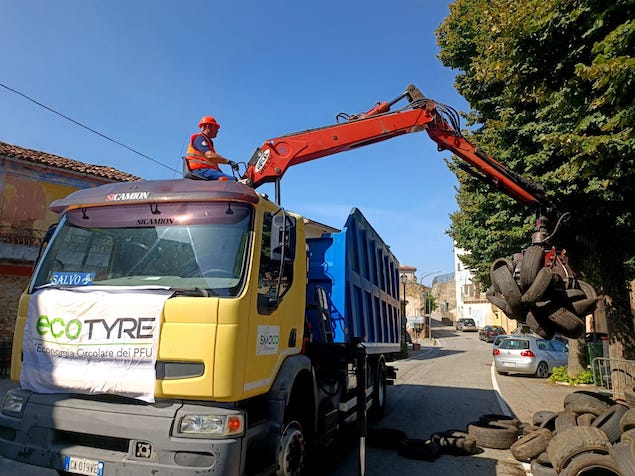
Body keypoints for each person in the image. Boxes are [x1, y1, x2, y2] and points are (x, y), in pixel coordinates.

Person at [185, 116, 239, 181]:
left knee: (229, 180)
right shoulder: (200, 138)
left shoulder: (206, 141)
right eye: (215, 127)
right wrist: (229, 162)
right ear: (208, 126)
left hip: (204, 171)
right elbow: (210, 155)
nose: (217, 130)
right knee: (233, 181)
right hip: (201, 171)